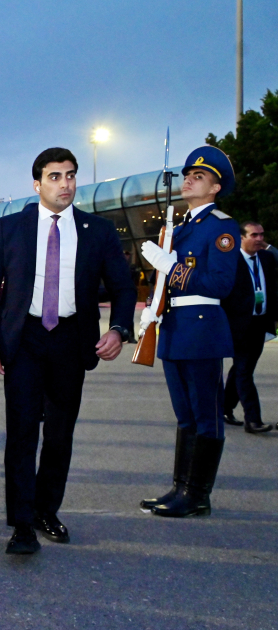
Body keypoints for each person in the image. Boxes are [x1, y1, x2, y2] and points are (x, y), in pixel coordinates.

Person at [0, 148, 136, 555]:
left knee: (60, 434)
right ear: (37, 184)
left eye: (71, 175)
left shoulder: (98, 230)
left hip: (71, 341)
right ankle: (22, 524)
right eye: (55, 176)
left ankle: (46, 510)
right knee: (22, 432)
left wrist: (119, 328)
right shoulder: (11, 227)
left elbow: (123, 286)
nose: (65, 184)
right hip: (24, 340)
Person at [138, 146, 241, 518]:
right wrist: (152, 307)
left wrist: (173, 267)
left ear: (215, 188)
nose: (188, 181)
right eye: (187, 176)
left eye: (199, 177)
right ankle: (181, 488)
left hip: (201, 330)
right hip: (174, 329)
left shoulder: (222, 227)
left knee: (205, 415)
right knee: (185, 416)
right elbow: (165, 283)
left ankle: (197, 495)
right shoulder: (179, 230)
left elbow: (220, 284)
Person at [222, 221, 276, 433]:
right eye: (254, 235)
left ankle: (224, 408)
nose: (260, 239)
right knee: (244, 370)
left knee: (241, 369)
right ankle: (253, 420)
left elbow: (271, 289)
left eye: (261, 235)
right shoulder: (230, 261)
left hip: (259, 323)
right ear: (241, 237)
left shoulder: (267, 258)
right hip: (238, 325)